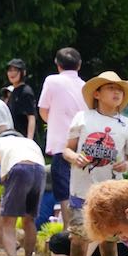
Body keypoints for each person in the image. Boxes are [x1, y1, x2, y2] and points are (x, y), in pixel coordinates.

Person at [62, 72, 128, 256]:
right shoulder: (82, 118)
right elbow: (67, 149)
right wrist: (74, 157)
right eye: (110, 88)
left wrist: (127, 166)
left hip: (112, 195)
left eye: (119, 89)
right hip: (81, 191)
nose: (116, 92)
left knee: (109, 247)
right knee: (78, 243)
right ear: (97, 93)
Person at [0, 131, 46, 256]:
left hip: (19, 168)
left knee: (8, 223)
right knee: (29, 220)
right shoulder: (25, 142)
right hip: (40, 170)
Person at [39, 48, 87, 223]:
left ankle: (69, 229)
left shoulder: (52, 81)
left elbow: (43, 110)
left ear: (57, 65)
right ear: (79, 65)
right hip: (82, 147)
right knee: (81, 189)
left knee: (64, 191)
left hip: (61, 145)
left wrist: (52, 122)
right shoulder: (85, 86)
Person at [5, 59, 39, 139]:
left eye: (15, 70)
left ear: (23, 72)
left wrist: (29, 139)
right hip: (14, 137)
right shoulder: (12, 91)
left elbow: (31, 117)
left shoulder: (26, 91)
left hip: (24, 138)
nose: (12, 73)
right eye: (10, 70)